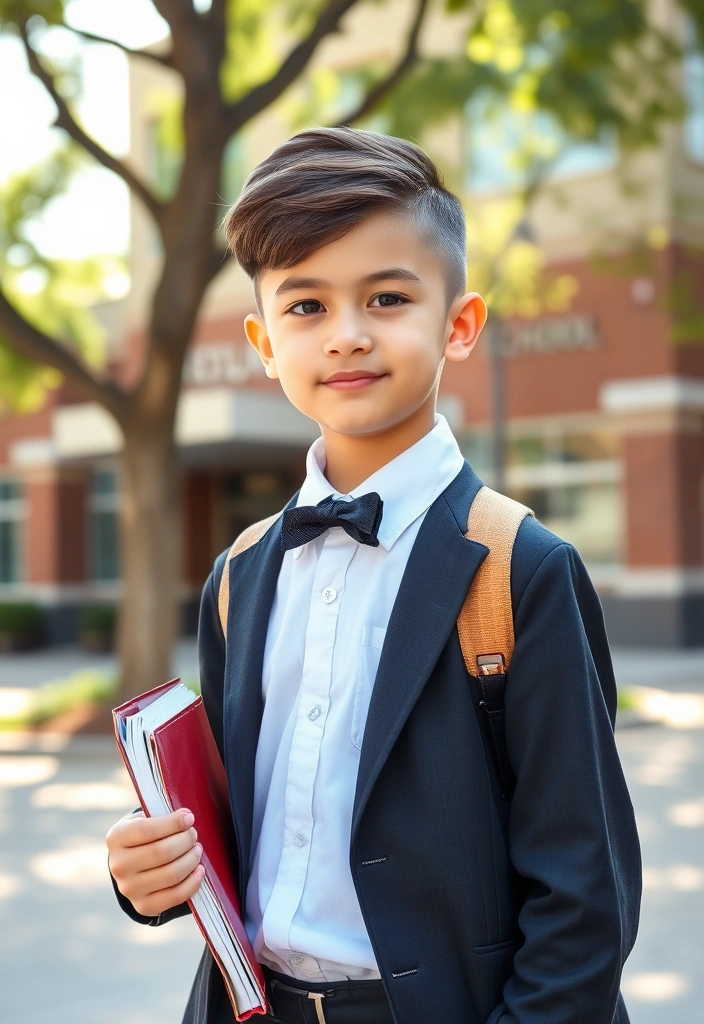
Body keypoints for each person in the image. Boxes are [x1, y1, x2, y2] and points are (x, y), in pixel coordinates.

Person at [106, 127, 641, 1024]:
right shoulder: (239, 574)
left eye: (387, 297)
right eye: (306, 307)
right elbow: (235, 826)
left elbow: (584, 896)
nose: (346, 335)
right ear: (264, 343)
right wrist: (150, 870)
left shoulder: (521, 567)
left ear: (458, 323)